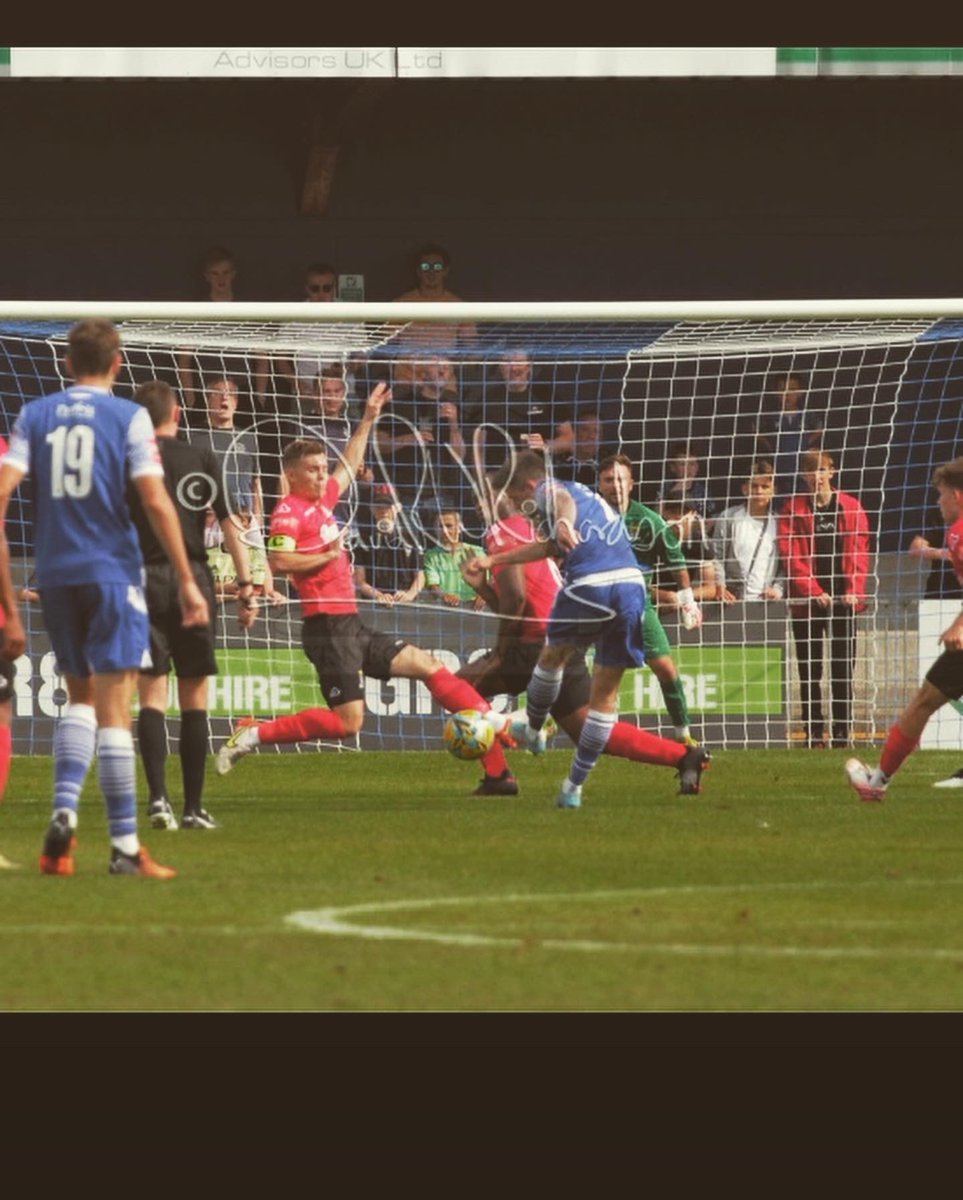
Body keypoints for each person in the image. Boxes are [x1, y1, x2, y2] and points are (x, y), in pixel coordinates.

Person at [214, 385, 528, 778]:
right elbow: (277, 560)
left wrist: (367, 419)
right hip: (327, 629)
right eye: (313, 470)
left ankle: (499, 771)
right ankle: (253, 732)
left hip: (351, 623)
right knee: (348, 723)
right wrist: (326, 557)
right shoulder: (288, 512)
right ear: (291, 475)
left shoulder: (322, 501)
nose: (322, 474)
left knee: (429, 665)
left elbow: (348, 465)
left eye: (322, 467)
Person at [0, 319, 209, 878]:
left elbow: (3, 490)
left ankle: (64, 814)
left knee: (80, 698)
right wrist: (187, 579)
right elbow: (155, 500)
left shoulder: (35, 414)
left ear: (67, 363)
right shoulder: (129, 417)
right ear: (118, 363)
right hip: (112, 572)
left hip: (56, 575)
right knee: (116, 709)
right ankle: (124, 846)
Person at [463, 450, 710, 809]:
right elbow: (547, 551)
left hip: (561, 614)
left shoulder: (523, 514)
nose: (514, 504)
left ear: (521, 489)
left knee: (469, 685)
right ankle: (674, 759)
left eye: (508, 496)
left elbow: (516, 598)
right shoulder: (572, 501)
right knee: (594, 717)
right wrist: (491, 572)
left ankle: (511, 756)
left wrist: (500, 653)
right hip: (622, 594)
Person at [127, 380, 258, 832]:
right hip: (193, 580)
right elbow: (230, 525)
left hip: (142, 578)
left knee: (151, 695)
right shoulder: (201, 456)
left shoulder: (129, 461)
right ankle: (193, 808)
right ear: (177, 414)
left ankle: (157, 800)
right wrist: (246, 584)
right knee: (194, 697)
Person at [846, 456, 963, 801]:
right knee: (925, 701)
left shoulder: (959, 533)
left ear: (957, 495)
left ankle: (877, 783)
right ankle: (877, 781)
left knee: (923, 702)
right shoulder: (954, 534)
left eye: (941, 495)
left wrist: (959, 626)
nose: (938, 503)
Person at [596, 454, 698, 746]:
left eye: (621, 479)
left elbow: (676, 561)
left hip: (639, 607)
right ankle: (566, 726)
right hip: (596, 607)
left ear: (632, 484)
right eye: (609, 480)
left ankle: (683, 735)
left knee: (666, 668)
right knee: (576, 667)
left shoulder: (649, 521)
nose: (615, 485)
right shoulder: (587, 517)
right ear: (599, 484)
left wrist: (688, 601)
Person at [779, 449, 871, 749]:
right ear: (803, 475)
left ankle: (842, 733)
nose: (815, 476)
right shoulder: (792, 509)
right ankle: (814, 733)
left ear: (832, 471)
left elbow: (859, 553)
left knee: (843, 668)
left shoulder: (851, 507)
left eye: (821, 470)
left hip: (844, 601)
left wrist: (854, 589)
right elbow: (790, 556)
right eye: (810, 471)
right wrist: (813, 590)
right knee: (810, 670)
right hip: (807, 603)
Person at [189, 377, 264, 527]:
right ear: (208, 400)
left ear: (236, 402)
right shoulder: (192, 436)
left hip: (242, 518)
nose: (224, 397)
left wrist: (258, 521)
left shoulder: (248, 438)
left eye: (230, 394)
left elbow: (256, 482)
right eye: (218, 393)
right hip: (206, 518)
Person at [710, 460, 786, 602]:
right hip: (731, 600)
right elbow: (716, 556)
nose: (759, 491)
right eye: (754, 486)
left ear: (773, 491)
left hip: (765, 602)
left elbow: (786, 563)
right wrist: (720, 585)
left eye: (765, 486)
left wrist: (778, 589)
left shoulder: (780, 522)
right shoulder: (729, 517)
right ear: (744, 489)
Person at [353, 484, 425, 606]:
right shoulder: (362, 539)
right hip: (373, 604)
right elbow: (359, 581)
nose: (383, 510)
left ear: (398, 507)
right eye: (378, 506)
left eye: (388, 506)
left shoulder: (410, 537)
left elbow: (420, 576)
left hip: (406, 603)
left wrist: (410, 594)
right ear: (371, 509)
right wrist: (378, 595)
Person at [757, 370, 824, 500]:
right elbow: (755, 430)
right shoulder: (771, 416)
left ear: (800, 392)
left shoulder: (806, 415)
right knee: (779, 501)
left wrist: (806, 442)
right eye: (782, 390)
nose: (787, 394)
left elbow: (820, 428)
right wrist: (770, 446)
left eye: (792, 389)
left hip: (800, 468)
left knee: (802, 500)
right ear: (776, 393)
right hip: (778, 468)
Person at [422, 509, 486, 608]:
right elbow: (433, 585)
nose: (444, 531)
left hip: (477, 609)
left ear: (459, 528)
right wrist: (444, 596)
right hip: (448, 610)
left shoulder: (476, 552)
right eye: (440, 526)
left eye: (449, 526)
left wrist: (484, 595)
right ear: (435, 530)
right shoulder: (430, 556)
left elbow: (491, 580)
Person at [655, 443, 718, 524]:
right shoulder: (665, 486)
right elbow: (656, 513)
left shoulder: (702, 490)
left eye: (692, 464)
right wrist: (674, 491)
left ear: (697, 467)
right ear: (673, 467)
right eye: (682, 464)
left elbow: (712, 516)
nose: (688, 469)